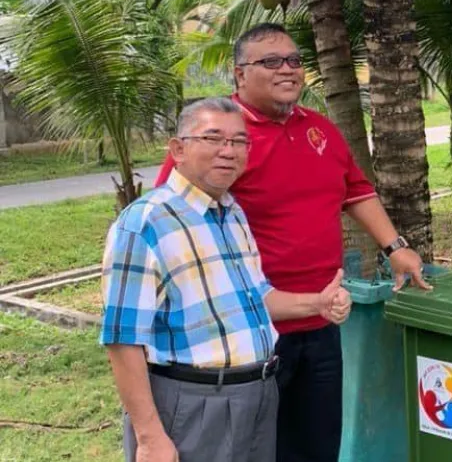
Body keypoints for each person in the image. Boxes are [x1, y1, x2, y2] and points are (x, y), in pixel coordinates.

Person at [153, 23, 429, 461]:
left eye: (294, 60)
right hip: (252, 330)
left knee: (317, 445)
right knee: (257, 449)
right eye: (271, 61)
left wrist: (395, 247)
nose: (288, 69)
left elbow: (356, 191)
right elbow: (172, 216)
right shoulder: (222, 141)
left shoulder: (320, 129)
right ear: (240, 74)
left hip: (322, 320)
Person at [101, 98, 353, 462]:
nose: (228, 151)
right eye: (213, 138)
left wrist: (317, 303)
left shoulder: (232, 213)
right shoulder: (145, 223)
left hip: (257, 397)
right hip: (194, 403)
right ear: (178, 150)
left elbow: (255, 298)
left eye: (239, 141)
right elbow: (123, 339)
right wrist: (150, 436)